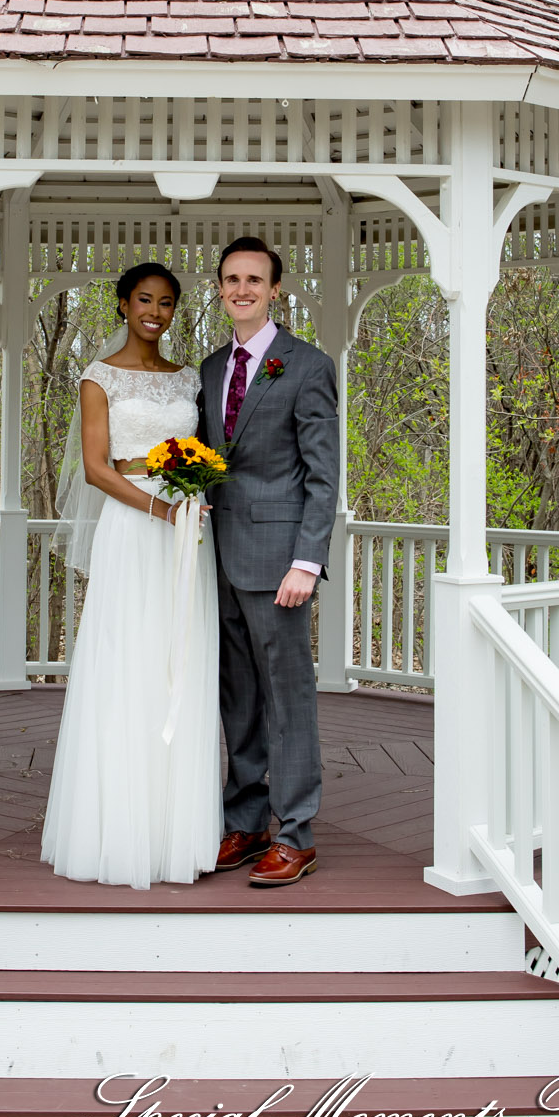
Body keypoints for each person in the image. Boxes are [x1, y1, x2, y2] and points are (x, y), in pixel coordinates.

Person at [40, 263, 221, 889]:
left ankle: (177, 829)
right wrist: (161, 507)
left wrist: (190, 501)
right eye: (145, 300)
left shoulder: (190, 378)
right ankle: (117, 830)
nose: (156, 311)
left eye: (167, 303)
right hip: (133, 525)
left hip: (187, 534)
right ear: (122, 304)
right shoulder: (99, 378)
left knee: (180, 661)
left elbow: (205, 452)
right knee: (127, 664)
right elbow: (96, 469)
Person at [199, 237, 339, 887]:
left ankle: (296, 831)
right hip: (218, 560)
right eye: (232, 278)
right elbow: (209, 457)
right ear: (220, 287)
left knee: (288, 698)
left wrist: (307, 561)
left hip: (280, 562)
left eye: (255, 278)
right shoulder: (208, 369)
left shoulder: (305, 366)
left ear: (275, 288)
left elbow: (322, 474)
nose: (242, 288)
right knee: (240, 699)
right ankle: (248, 819)